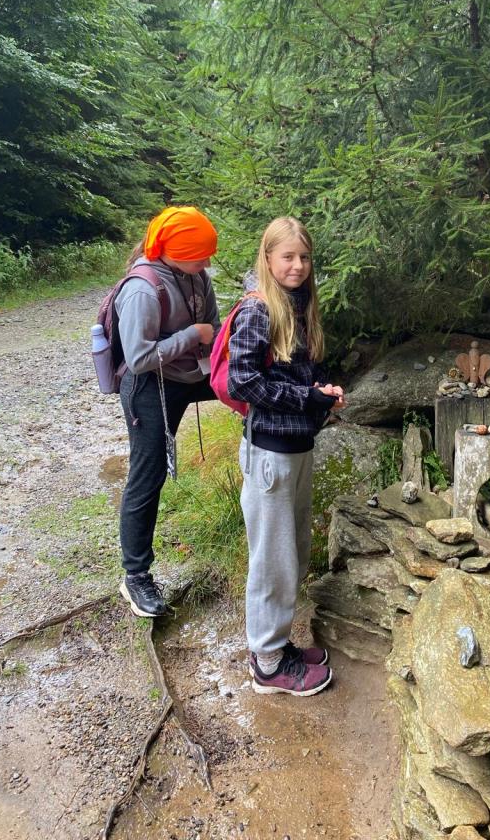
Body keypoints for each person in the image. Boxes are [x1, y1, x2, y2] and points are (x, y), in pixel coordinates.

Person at [228, 216, 344, 697]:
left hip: (296, 448)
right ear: (268, 258)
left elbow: (292, 375)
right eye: (287, 257)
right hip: (269, 455)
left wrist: (321, 392)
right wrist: (306, 398)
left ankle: (276, 645)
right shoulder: (258, 310)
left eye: (304, 257)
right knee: (272, 562)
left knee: (290, 553)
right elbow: (242, 381)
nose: (297, 265)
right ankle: (269, 665)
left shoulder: (298, 305)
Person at [116, 206, 221, 617]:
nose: (207, 263)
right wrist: (191, 335)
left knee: (249, 390)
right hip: (149, 385)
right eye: (200, 256)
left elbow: (213, 326)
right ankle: (135, 576)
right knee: (149, 475)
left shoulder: (196, 275)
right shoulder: (142, 290)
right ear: (174, 252)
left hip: (192, 373)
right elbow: (139, 358)